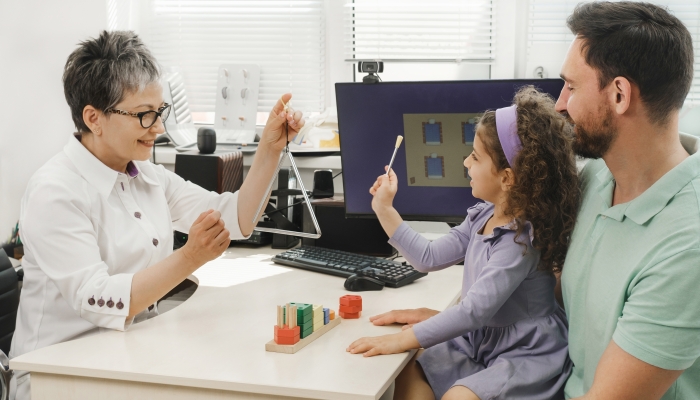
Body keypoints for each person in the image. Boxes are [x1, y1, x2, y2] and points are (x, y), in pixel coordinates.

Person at [8, 30, 303, 400]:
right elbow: (100, 299)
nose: (159, 129)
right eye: (144, 116)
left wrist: (270, 149)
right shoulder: (55, 192)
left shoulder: (144, 173)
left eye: (159, 112)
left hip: (127, 354)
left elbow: (236, 219)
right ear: (93, 118)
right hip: (58, 375)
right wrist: (190, 256)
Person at [347, 86, 580, 400]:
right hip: (482, 340)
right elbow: (427, 257)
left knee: (455, 393)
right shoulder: (482, 216)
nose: (465, 162)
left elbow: (473, 312)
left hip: (525, 353)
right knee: (409, 368)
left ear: (507, 178)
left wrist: (405, 339)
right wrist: (385, 210)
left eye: (475, 156)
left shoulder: (519, 241)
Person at [555, 2, 700, 399]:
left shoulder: (688, 245)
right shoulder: (596, 178)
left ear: (619, 94)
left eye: (571, 86)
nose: (559, 104)